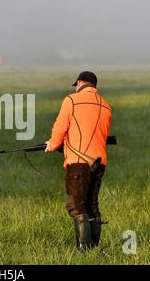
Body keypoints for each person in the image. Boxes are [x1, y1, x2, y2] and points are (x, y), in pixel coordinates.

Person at [45, 71, 112, 252]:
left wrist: (52, 145)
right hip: (99, 162)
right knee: (92, 204)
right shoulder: (106, 105)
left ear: (80, 82)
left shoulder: (72, 100)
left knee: (76, 204)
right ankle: (94, 249)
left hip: (79, 162)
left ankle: (83, 250)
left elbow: (60, 128)